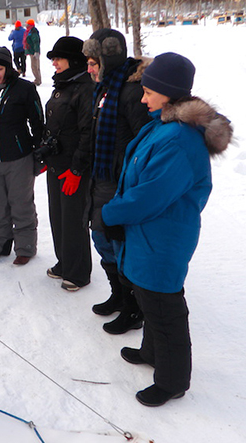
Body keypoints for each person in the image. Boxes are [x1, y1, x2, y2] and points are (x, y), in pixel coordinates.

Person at [102, 52, 232, 406]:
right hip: (148, 235)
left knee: (163, 307)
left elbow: (150, 196)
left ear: (169, 93)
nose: (142, 99)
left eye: (148, 92)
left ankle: (173, 380)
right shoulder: (163, 125)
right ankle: (152, 352)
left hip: (162, 237)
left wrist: (110, 214)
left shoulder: (178, 139)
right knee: (147, 297)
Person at [82, 29, 151, 333]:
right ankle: (119, 295)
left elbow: (144, 142)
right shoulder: (106, 88)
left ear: (108, 60)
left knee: (118, 244)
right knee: (101, 238)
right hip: (101, 177)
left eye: (94, 62)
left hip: (120, 181)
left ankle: (134, 307)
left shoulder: (131, 92)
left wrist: (131, 180)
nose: (89, 68)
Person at [0, 47, 44, 264]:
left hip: (18, 158)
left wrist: (36, 149)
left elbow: (37, 121)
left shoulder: (24, 88)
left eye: (0, 68)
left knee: (21, 204)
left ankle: (25, 247)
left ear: (8, 68)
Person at [41, 36, 94, 291]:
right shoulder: (63, 84)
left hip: (74, 168)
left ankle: (79, 272)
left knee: (74, 221)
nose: (53, 63)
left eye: (58, 59)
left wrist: (76, 169)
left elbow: (88, 134)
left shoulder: (85, 88)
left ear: (73, 60)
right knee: (58, 218)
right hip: (56, 165)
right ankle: (65, 261)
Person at [24, 19, 41, 86]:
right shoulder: (30, 31)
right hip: (32, 51)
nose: (26, 25)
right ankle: (38, 79)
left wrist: (36, 51)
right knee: (35, 66)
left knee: (34, 67)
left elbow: (36, 42)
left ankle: (37, 80)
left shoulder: (33, 32)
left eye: (27, 24)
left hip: (33, 52)